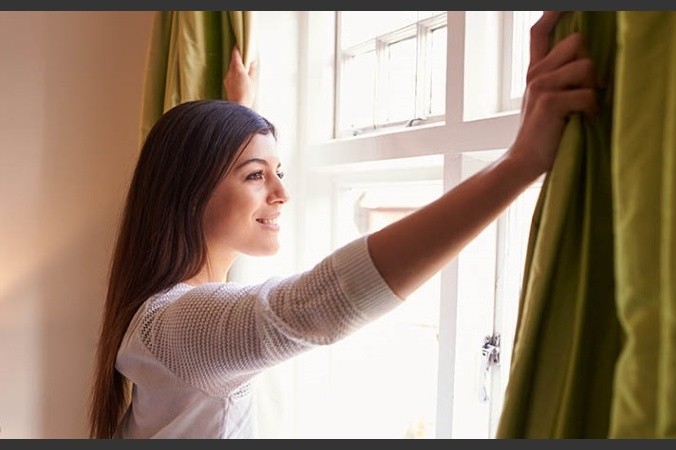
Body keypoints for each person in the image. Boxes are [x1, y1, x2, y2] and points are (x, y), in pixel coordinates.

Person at [88, 11, 599, 439]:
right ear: (187, 189)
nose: (282, 193)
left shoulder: (159, 319)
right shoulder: (180, 327)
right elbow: (320, 305)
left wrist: (238, 114)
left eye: (279, 172)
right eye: (256, 175)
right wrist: (521, 161)